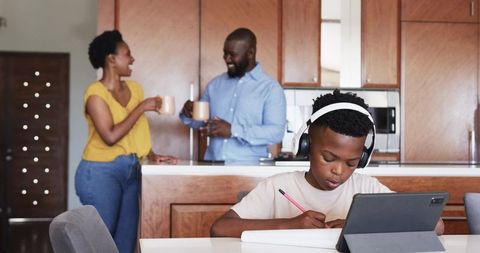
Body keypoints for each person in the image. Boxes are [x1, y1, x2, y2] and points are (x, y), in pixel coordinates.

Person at [210, 89, 444, 237]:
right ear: (306, 146)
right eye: (329, 158)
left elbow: (436, 225)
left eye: (351, 163)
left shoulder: (367, 188)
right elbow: (220, 228)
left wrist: (358, 225)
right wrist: (289, 225)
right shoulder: (277, 187)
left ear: (363, 158)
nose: (339, 171)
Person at [75, 30, 177, 253]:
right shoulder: (95, 93)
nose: (132, 59)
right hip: (100, 172)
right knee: (101, 239)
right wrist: (141, 108)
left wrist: (150, 154)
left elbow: (137, 132)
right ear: (111, 59)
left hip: (132, 170)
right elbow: (110, 137)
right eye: (127, 54)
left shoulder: (136, 89)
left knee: (125, 242)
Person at [179, 27, 286, 162]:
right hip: (212, 167)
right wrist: (188, 113)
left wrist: (233, 130)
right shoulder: (215, 84)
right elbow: (200, 122)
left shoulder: (270, 88)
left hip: (249, 171)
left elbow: (276, 133)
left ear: (250, 53)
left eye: (232, 54)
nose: (227, 59)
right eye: (225, 53)